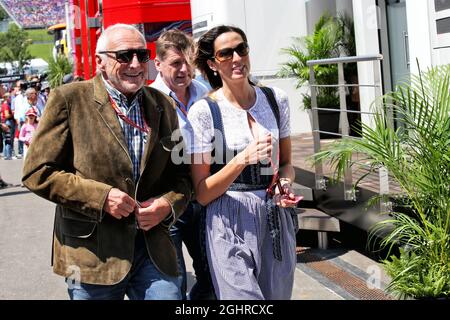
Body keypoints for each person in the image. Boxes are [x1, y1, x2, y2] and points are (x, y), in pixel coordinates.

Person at [22, 23, 192, 300]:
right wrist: (101, 197)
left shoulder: (162, 105)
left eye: (142, 54)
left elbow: (182, 177)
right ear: (100, 61)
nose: (135, 64)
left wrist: (167, 205)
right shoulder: (68, 99)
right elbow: (37, 172)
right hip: (92, 255)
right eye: (124, 56)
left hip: (152, 249)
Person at [186, 25, 301, 299]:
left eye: (241, 49)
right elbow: (202, 193)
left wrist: (283, 186)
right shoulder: (204, 112)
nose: (237, 58)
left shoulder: (276, 100)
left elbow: (286, 164)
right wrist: (242, 159)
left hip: (275, 216)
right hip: (228, 217)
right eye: (225, 54)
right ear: (213, 64)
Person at [150, 29, 214, 300]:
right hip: (168, 202)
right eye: (176, 63)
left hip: (204, 196)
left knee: (213, 278)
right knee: (172, 285)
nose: (184, 69)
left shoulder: (205, 92)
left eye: (188, 62)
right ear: (158, 64)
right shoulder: (148, 99)